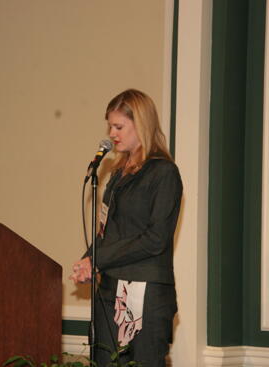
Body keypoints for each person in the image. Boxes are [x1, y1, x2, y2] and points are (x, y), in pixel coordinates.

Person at [70, 89, 182, 366]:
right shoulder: (117, 174)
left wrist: (99, 259)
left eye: (119, 126)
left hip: (146, 293)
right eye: (110, 125)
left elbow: (156, 238)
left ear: (140, 124)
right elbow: (106, 230)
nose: (112, 133)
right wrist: (88, 260)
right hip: (110, 290)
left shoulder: (163, 173)